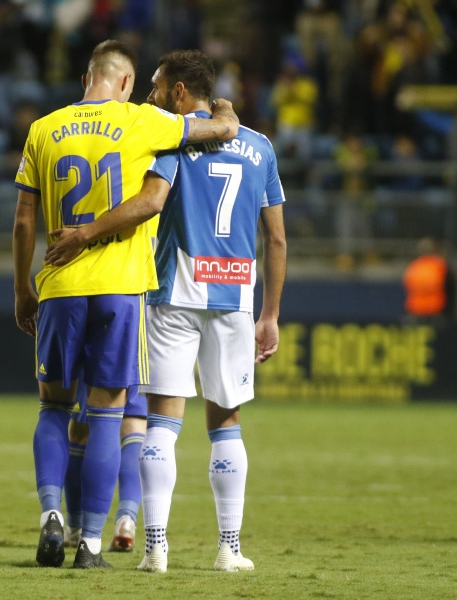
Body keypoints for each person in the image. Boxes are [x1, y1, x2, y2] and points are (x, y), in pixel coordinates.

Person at [45, 49, 287, 573]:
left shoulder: (168, 139)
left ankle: (155, 548)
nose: (149, 96)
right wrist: (269, 315)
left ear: (179, 91)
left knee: (160, 424)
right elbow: (278, 240)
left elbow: (151, 202)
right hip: (233, 298)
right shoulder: (260, 146)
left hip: (173, 293)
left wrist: (85, 233)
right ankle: (229, 550)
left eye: (156, 87)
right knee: (227, 425)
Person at [12, 40, 239, 570]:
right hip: (120, 287)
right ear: (123, 83)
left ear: (89, 76)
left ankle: (51, 515)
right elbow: (218, 129)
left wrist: (24, 287)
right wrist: (226, 109)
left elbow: (25, 220)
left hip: (59, 285)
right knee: (110, 417)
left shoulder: (43, 129)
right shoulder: (141, 122)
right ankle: (91, 541)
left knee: (53, 407)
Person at [62, 381, 146, 554]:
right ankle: (127, 519)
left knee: (84, 428)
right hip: (142, 356)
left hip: (99, 358)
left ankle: (75, 526)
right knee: (134, 424)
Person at [402, 237, 454, 321]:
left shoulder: (414, 266)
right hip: (434, 309)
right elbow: (450, 289)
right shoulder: (440, 265)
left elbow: (406, 285)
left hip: (417, 309)